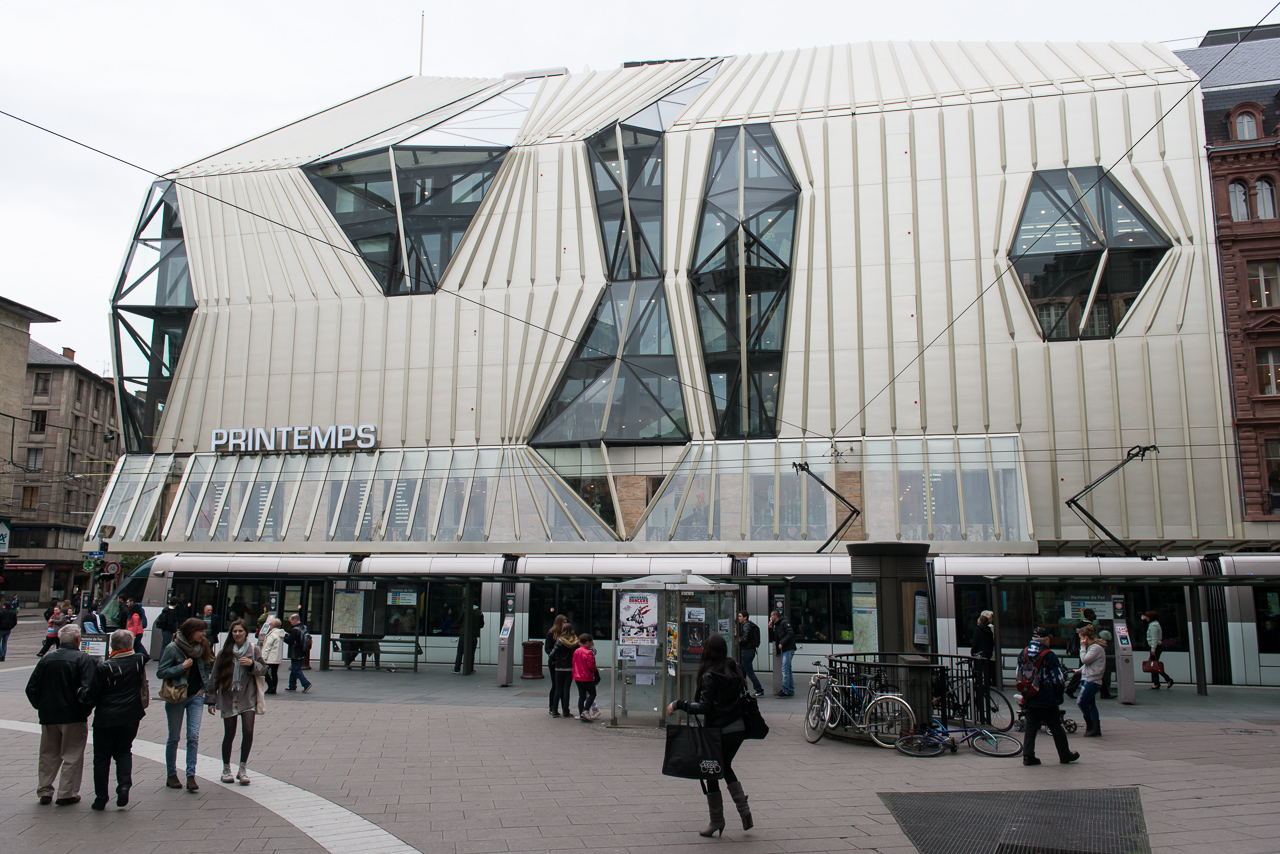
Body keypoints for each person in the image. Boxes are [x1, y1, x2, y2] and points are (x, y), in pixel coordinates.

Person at [666, 633, 753, 837]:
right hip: (738, 729)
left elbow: (704, 707)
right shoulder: (734, 668)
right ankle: (743, 810)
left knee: (711, 770)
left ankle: (717, 820)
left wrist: (679, 704)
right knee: (725, 766)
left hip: (719, 731)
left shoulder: (710, 675)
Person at [26, 624, 95, 805]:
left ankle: (44, 790)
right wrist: (84, 709)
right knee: (72, 755)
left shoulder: (47, 659)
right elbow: (89, 690)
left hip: (49, 715)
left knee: (48, 754)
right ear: (78, 639)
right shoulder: (83, 659)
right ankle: (66, 792)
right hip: (73, 715)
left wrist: (41, 707)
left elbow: (31, 688)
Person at [88, 629, 146, 810]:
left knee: (101, 757)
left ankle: (101, 798)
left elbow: (92, 693)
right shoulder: (139, 661)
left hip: (106, 717)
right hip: (131, 715)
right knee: (124, 751)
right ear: (130, 645)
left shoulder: (105, 667)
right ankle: (124, 785)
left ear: (112, 645)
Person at [205, 619, 267, 785]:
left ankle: (242, 768)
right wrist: (210, 700)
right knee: (229, 733)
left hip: (247, 696)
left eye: (240, 631)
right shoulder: (224, 652)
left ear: (246, 633)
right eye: (234, 631)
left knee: (248, 731)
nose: (237, 634)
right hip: (228, 696)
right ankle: (226, 768)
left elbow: (264, 670)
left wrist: (252, 664)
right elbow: (215, 676)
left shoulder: (254, 650)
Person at [156, 617, 214, 791]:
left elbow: (208, 666)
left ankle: (191, 775)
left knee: (193, 736)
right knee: (174, 737)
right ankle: (171, 774)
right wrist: (181, 667)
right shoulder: (173, 648)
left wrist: (204, 688)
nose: (203, 634)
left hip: (195, 697)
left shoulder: (202, 646)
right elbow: (161, 672)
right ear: (190, 631)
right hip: (177, 696)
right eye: (200, 631)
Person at [1017, 626, 1079, 766]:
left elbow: (1018, 674)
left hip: (1030, 695)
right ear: (1045, 639)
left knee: (1031, 727)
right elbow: (1058, 679)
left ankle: (1028, 756)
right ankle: (1065, 755)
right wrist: (1059, 692)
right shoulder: (1049, 655)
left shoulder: (1023, 653)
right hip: (1047, 698)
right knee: (1056, 727)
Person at [1074, 624, 1104, 738]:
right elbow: (1089, 663)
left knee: (1081, 702)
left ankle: (1090, 723)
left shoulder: (1095, 648)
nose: (1081, 641)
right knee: (1091, 704)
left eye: (1081, 638)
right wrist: (1080, 670)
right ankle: (1094, 727)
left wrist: (1082, 647)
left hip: (1092, 680)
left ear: (1086, 638)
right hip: (1088, 677)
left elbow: (1085, 660)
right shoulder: (1092, 648)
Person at [548, 622, 579, 718]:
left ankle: (554, 710)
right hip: (570, 668)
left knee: (558, 689)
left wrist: (555, 660)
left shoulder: (559, 641)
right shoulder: (576, 641)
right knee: (566, 689)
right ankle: (566, 711)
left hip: (559, 668)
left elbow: (552, 654)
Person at [1141, 610, 1175, 689]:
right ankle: (1160, 681)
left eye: (1147, 617)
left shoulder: (1153, 626)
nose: (1146, 618)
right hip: (1156, 647)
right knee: (1153, 664)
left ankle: (1163, 681)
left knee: (1153, 665)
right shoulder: (1155, 624)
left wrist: (1153, 650)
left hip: (1155, 647)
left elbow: (1154, 638)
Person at [970, 610, 996, 707]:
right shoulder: (989, 630)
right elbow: (991, 643)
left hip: (979, 654)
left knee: (978, 671)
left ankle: (978, 685)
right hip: (987, 654)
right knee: (986, 670)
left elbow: (975, 643)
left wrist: (973, 653)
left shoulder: (978, 630)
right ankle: (985, 685)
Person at [572, 633, 599, 722]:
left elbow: (574, 662)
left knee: (582, 696)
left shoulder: (576, 651)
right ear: (588, 642)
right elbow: (591, 666)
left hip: (577, 676)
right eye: (591, 642)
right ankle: (586, 711)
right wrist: (594, 670)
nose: (591, 644)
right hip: (586, 677)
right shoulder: (589, 652)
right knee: (592, 693)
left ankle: (581, 714)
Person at [736, 611, 764, 697]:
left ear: (745, 617)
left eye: (740, 616)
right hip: (750, 650)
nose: (738, 618)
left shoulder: (746, 626)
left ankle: (758, 689)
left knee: (748, 671)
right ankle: (741, 689)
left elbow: (745, 638)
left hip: (747, 651)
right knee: (743, 671)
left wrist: (739, 640)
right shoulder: (750, 625)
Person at [768, 610, 795, 697]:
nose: (770, 617)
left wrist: (782, 643)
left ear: (775, 616)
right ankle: (790, 689)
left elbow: (790, 633)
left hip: (788, 648)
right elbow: (774, 638)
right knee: (788, 669)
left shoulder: (784, 622)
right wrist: (770, 628)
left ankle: (786, 689)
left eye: (771, 615)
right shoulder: (776, 625)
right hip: (784, 648)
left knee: (785, 669)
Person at [544, 614, 567, 715]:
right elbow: (548, 648)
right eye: (564, 622)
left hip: (562, 661)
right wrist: (554, 657)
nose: (565, 624)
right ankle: (552, 707)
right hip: (555, 661)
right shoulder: (551, 633)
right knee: (556, 684)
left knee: (562, 686)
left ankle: (563, 707)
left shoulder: (566, 633)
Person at [284, 613, 312, 693]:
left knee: (296, 669)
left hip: (295, 652)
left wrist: (285, 636)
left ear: (294, 620)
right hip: (303, 650)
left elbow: (289, 640)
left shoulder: (295, 630)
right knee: (294, 669)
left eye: (291, 621)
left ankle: (306, 683)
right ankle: (292, 686)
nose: (290, 623)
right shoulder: (304, 627)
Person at [454, 603, 484, 674]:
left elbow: (459, 620)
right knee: (472, 653)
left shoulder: (465, 611)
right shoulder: (479, 613)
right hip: (473, 635)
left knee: (460, 652)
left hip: (463, 634)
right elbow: (481, 625)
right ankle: (470, 668)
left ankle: (457, 669)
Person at [261, 617, 287, 694]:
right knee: (274, 673)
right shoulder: (281, 634)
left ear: (272, 625)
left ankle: (271, 686)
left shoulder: (272, 635)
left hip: (270, 657)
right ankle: (274, 688)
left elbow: (267, 647)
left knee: (264, 672)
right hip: (277, 657)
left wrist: (263, 657)